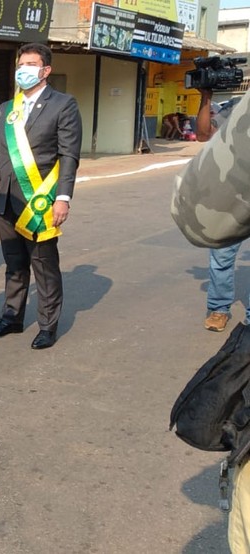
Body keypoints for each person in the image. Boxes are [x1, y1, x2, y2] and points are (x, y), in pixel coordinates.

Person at [170, 94, 250, 554]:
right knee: (222, 264)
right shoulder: (223, 106)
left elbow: (198, 215)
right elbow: (204, 131)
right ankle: (218, 304)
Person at [0, 42, 83, 350]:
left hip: (41, 201)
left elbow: (68, 155)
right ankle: (12, 317)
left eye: (30, 64)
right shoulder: (6, 109)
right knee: (14, 263)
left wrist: (63, 197)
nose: (23, 70)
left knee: (43, 265)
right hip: (8, 199)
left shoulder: (63, 105)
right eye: (20, 64)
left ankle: (48, 325)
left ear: (45, 70)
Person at [191, 87, 240, 332]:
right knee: (221, 258)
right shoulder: (234, 106)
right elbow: (203, 134)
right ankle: (219, 309)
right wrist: (206, 97)